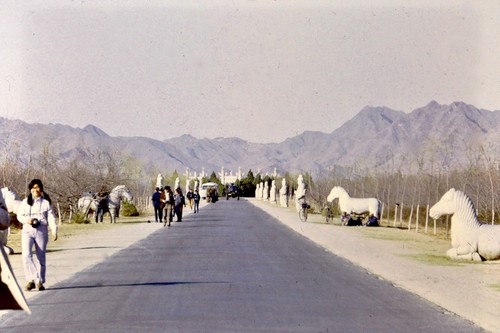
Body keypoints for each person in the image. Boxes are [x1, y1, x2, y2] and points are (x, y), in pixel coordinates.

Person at [16, 179, 58, 291]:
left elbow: (51, 218)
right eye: (33, 188)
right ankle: (31, 279)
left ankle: (40, 281)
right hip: (27, 230)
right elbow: (19, 216)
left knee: (41, 257)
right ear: (30, 189)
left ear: (41, 189)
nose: (35, 190)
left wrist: (54, 230)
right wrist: (27, 220)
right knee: (26, 255)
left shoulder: (46, 203)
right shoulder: (25, 202)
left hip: (41, 230)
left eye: (37, 187)